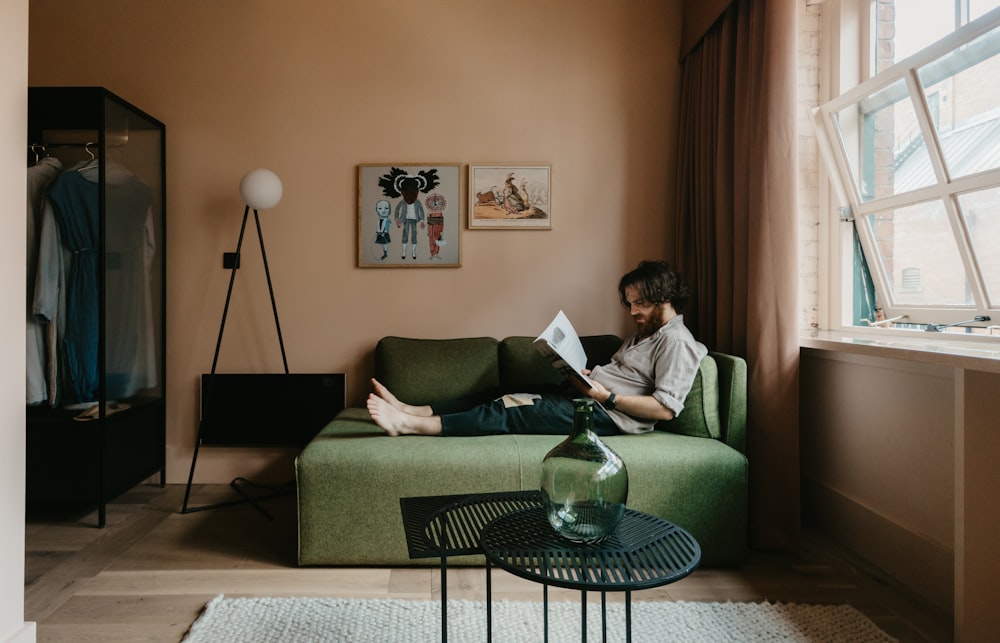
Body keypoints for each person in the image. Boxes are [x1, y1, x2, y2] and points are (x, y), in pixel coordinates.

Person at [366, 260, 707, 437]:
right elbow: (627, 376)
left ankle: (410, 426)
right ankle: (413, 409)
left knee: (511, 411)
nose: (632, 312)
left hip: (607, 416)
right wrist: (585, 374)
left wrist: (607, 397)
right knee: (499, 393)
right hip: (589, 398)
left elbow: (664, 409)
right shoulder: (647, 331)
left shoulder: (677, 342)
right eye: (630, 304)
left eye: (640, 303)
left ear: (664, 296)